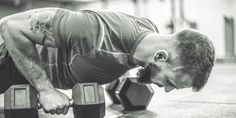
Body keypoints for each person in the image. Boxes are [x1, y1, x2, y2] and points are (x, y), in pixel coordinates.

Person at [0, 8, 215, 115]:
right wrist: (45, 89)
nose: (166, 90)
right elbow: (10, 26)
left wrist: (116, 80)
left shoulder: (149, 35)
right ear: (160, 56)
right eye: (170, 81)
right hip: (9, 61)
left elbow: (117, 56)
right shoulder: (92, 30)